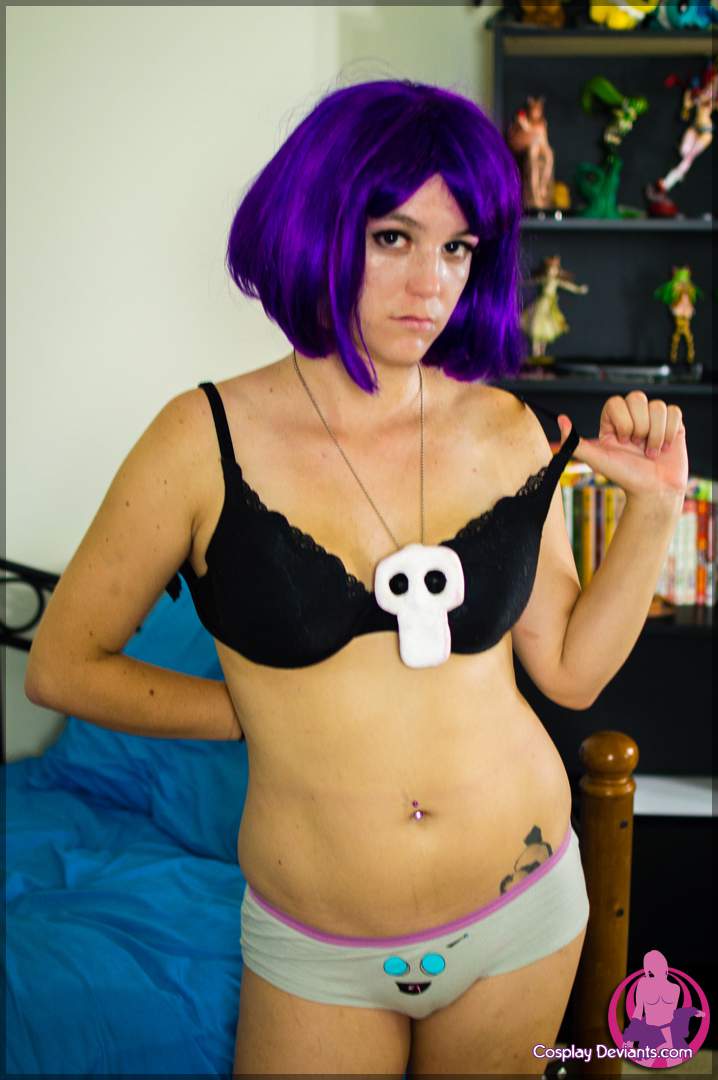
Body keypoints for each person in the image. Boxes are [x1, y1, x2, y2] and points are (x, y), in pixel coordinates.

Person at [25, 79, 688, 1077]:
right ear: (319, 227)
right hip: (318, 944)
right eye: (393, 238)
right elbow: (63, 665)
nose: (431, 284)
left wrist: (656, 510)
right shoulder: (200, 439)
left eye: (458, 248)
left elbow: (570, 672)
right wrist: (251, 710)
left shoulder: (506, 428)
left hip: (522, 908)